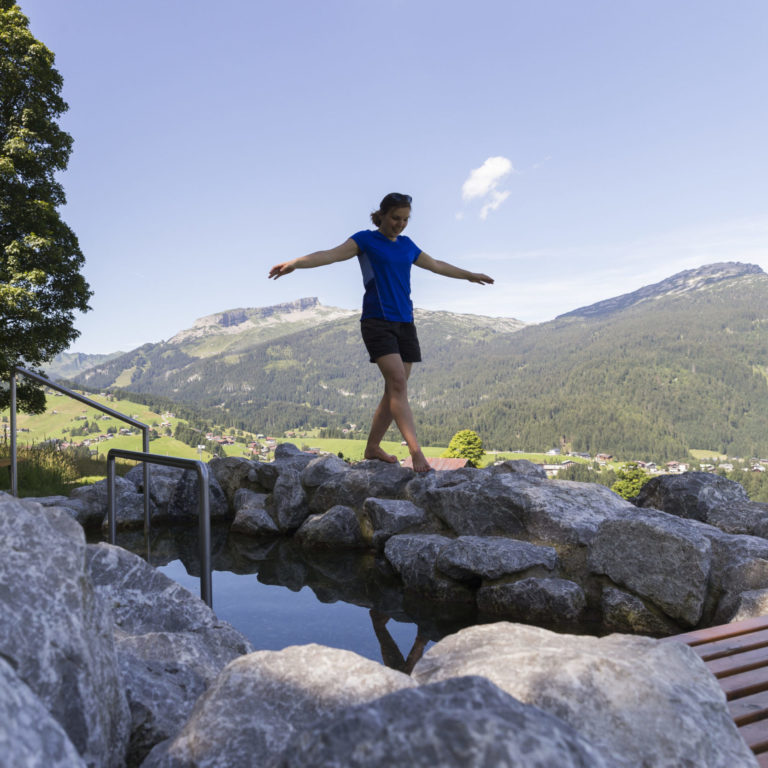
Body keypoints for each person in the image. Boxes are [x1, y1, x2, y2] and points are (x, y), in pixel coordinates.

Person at [268, 192, 493, 473]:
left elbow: (436, 265)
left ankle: (372, 447)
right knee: (398, 383)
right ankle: (416, 454)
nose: (400, 224)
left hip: (405, 322)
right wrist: (295, 263)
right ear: (382, 215)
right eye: (395, 218)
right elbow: (330, 255)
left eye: (405, 219)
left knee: (393, 389)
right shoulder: (365, 240)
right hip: (377, 321)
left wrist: (469, 275)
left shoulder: (408, 245)